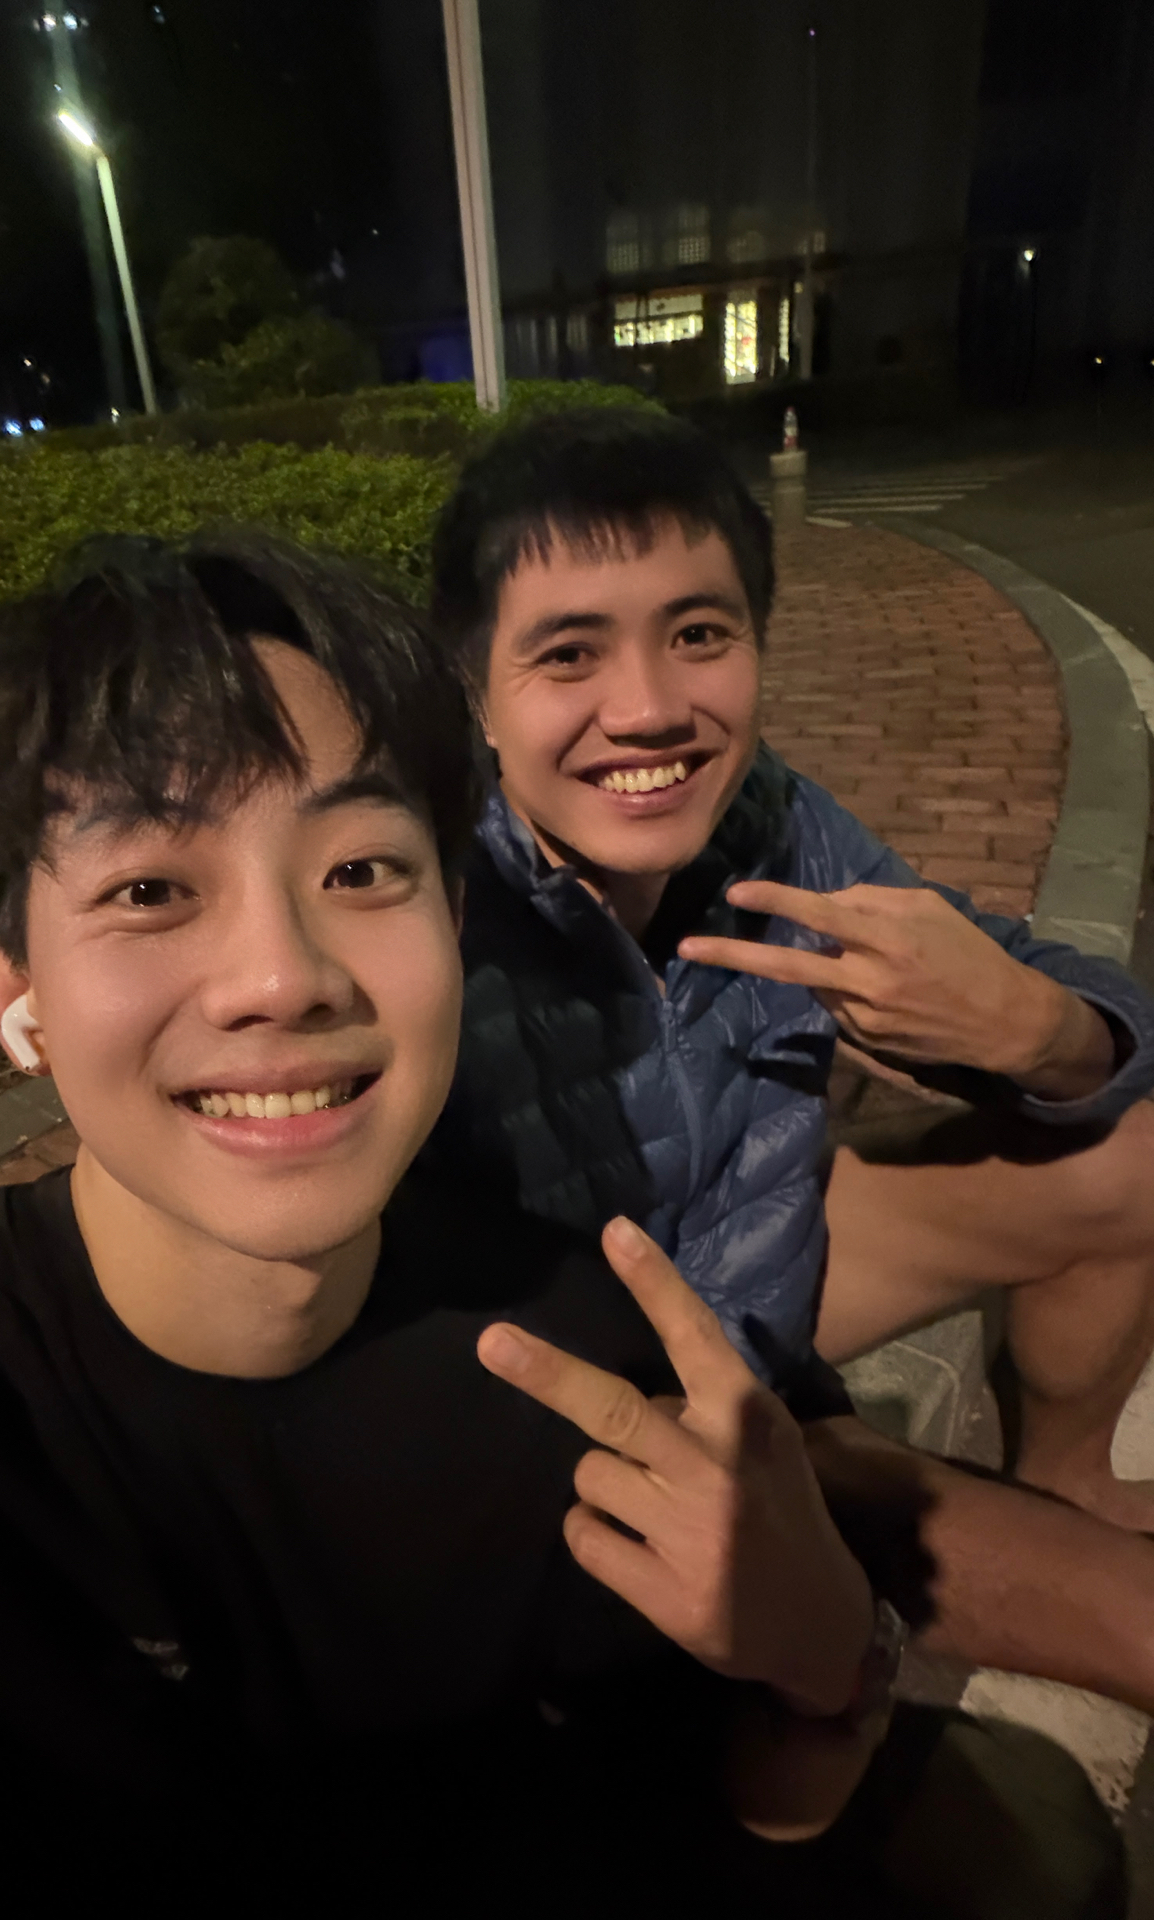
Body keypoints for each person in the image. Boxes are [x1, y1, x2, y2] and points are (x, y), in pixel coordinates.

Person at [0, 530, 1125, 1918]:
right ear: (11, 991)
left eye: (360, 871)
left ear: (452, 919)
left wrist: (826, 1665)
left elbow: (741, 1822)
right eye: (151, 890)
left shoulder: (571, 1344)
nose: (283, 978)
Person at [427, 405, 1154, 1539]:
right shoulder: (425, 901)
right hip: (568, 1416)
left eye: (699, 634)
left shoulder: (770, 817)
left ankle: (1067, 1482)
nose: (651, 712)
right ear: (476, 696)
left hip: (769, 1283)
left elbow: (1029, 985)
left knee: (1135, 1153)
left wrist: (1044, 1031)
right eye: (569, 654)